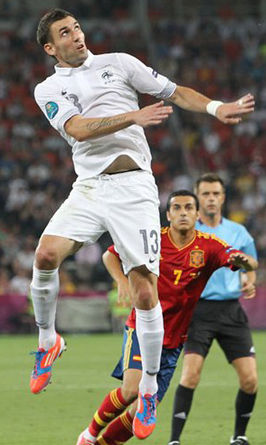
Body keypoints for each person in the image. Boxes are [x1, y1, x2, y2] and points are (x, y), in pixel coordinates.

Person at [29, 7, 254, 438]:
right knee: (45, 255)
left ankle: (148, 389)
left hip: (134, 189)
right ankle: (47, 342)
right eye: (65, 33)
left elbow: (174, 92)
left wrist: (215, 107)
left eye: (76, 27)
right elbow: (77, 128)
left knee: (146, 293)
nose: (77, 35)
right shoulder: (48, 88)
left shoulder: (120, 63)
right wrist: (133, 116)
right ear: (50, 47)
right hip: (91, 185)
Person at [75, 190, 258, 445]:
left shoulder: (209, 245)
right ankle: (89, 434)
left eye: (188, 208)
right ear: (168, 214)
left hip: (174, 339)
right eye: (177, 208)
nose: (183, 212)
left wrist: (245, 263)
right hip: (141, 327)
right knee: (130, 390)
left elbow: (244, 261)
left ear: (197, 214)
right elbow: (110, 255)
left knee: (141, 411)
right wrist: (122, 282)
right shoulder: (152, 239)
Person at [168, 173, 258, 445]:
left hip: (231, 311)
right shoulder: (186, 232)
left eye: (215, 194)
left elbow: (250, 263)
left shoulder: (237, 232)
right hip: (199, 312)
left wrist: (249, 280)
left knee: (250, 380)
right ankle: (174, 440)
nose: (211, 198)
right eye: (205, 194)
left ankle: (239, 436)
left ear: (223, 198)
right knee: (191, 375)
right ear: (197, 199)